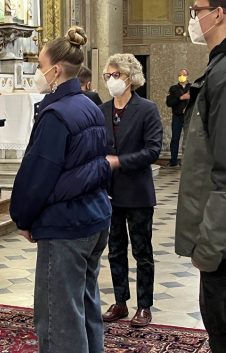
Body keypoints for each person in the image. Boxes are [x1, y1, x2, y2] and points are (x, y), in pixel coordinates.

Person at [9, 26, 112, 353]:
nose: (39, 74)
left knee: (58, 319)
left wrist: (23, 217)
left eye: (40, 66)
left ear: (55, 70)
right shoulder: (90, 106)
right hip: (94, 217)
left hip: (66, 225)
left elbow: (38, 173)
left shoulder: (56, 113)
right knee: (85, 307)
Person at [176, 1, 226, 351]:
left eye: (196, 10)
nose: (193, 19)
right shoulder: (217, 69)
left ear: (219, 13)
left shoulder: (223, 75)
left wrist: (208, 246)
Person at [99, 53, 163, 328]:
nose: (111, 80)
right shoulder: (102, 110)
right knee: (114, 250)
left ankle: (144, 305)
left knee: (141, 250)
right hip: (110, 193)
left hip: (137, 192)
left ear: (130, 78)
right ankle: (121, 301)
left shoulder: (146, 109)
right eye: (108, 76)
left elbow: (153, 150)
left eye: (116, 75)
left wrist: (119, 161)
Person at [165, 68, 191, 167]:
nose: (181, 77)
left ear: (187, 76)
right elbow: (169, 103)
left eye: (183, 75)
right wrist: (180, 98)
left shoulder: (191, 88)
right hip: (177, 116)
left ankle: (186, 161)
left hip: (188, 116)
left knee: (188, 139)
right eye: (180, 75)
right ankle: (173, 161)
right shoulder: (173, 88)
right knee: (175, 138)